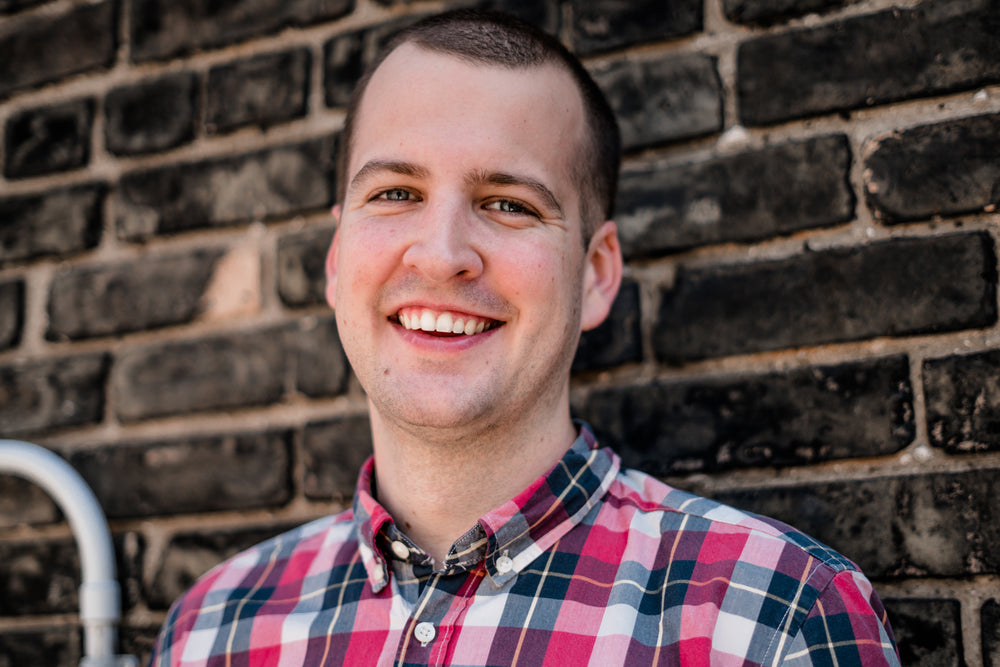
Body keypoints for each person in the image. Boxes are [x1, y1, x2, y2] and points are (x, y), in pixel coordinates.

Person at [150, 10, 900, 666]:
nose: (441, 253)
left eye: (507, 203)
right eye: (397, 193)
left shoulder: (770, 620)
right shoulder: (212, 630)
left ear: (597, 274)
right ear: (338, 259)